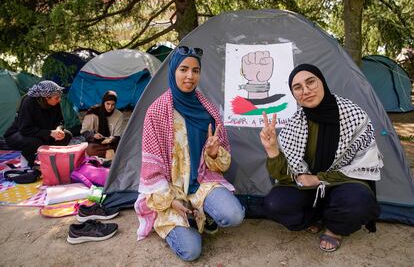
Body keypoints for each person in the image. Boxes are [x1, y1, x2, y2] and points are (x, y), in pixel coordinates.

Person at [134, 46, 245, 261]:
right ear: (173, 71)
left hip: (201, 182)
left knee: (234, 215)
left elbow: (219, 166)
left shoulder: (207, 109)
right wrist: (169, 201)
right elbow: (151, 170)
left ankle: (201, 214)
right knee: (191, 251)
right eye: (183, 69)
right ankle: (179, 221)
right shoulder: (157, 112)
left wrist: (213, 153)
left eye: (195, 71)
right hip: (170, 190)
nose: (190, 76)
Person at [260, 64, 382, 252]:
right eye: (298, 87)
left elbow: (365, 165)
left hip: (344, 184)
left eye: (311, 82)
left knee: (358, 201)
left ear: (322, 82)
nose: (306, 91)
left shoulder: (354, 115)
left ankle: (335, 229)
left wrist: (319, 179)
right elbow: (285, 177)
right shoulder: (294, 125)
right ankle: (314, 217)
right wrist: (273, 150)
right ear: (294, 94)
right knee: (275, 203)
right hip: (307, 189)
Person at [4, 80, 72, 167]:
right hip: (19, 134)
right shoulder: (28, 102)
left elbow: (60, 121)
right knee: (35, 141)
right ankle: (26, 160)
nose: (59, 100)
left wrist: (58, 129)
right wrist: (50, 133)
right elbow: (25, 129)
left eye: (59, 97)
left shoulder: (55, 103)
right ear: (46, 97)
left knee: (66, 135)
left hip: (42, 132)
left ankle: (49, 159)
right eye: (57, 98)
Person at [80, 90, 124, 158]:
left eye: (113, 105)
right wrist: (94, 135)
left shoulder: (119, 115)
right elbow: (84, 132)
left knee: (124, 147)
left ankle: (109, 153)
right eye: (108, 104)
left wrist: (111, 139)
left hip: (112, 144)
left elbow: (117, 136)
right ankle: (110, 153)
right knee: (89, 149)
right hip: (96, 143)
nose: (110, 107)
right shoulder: (93, 112)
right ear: (103, 103)